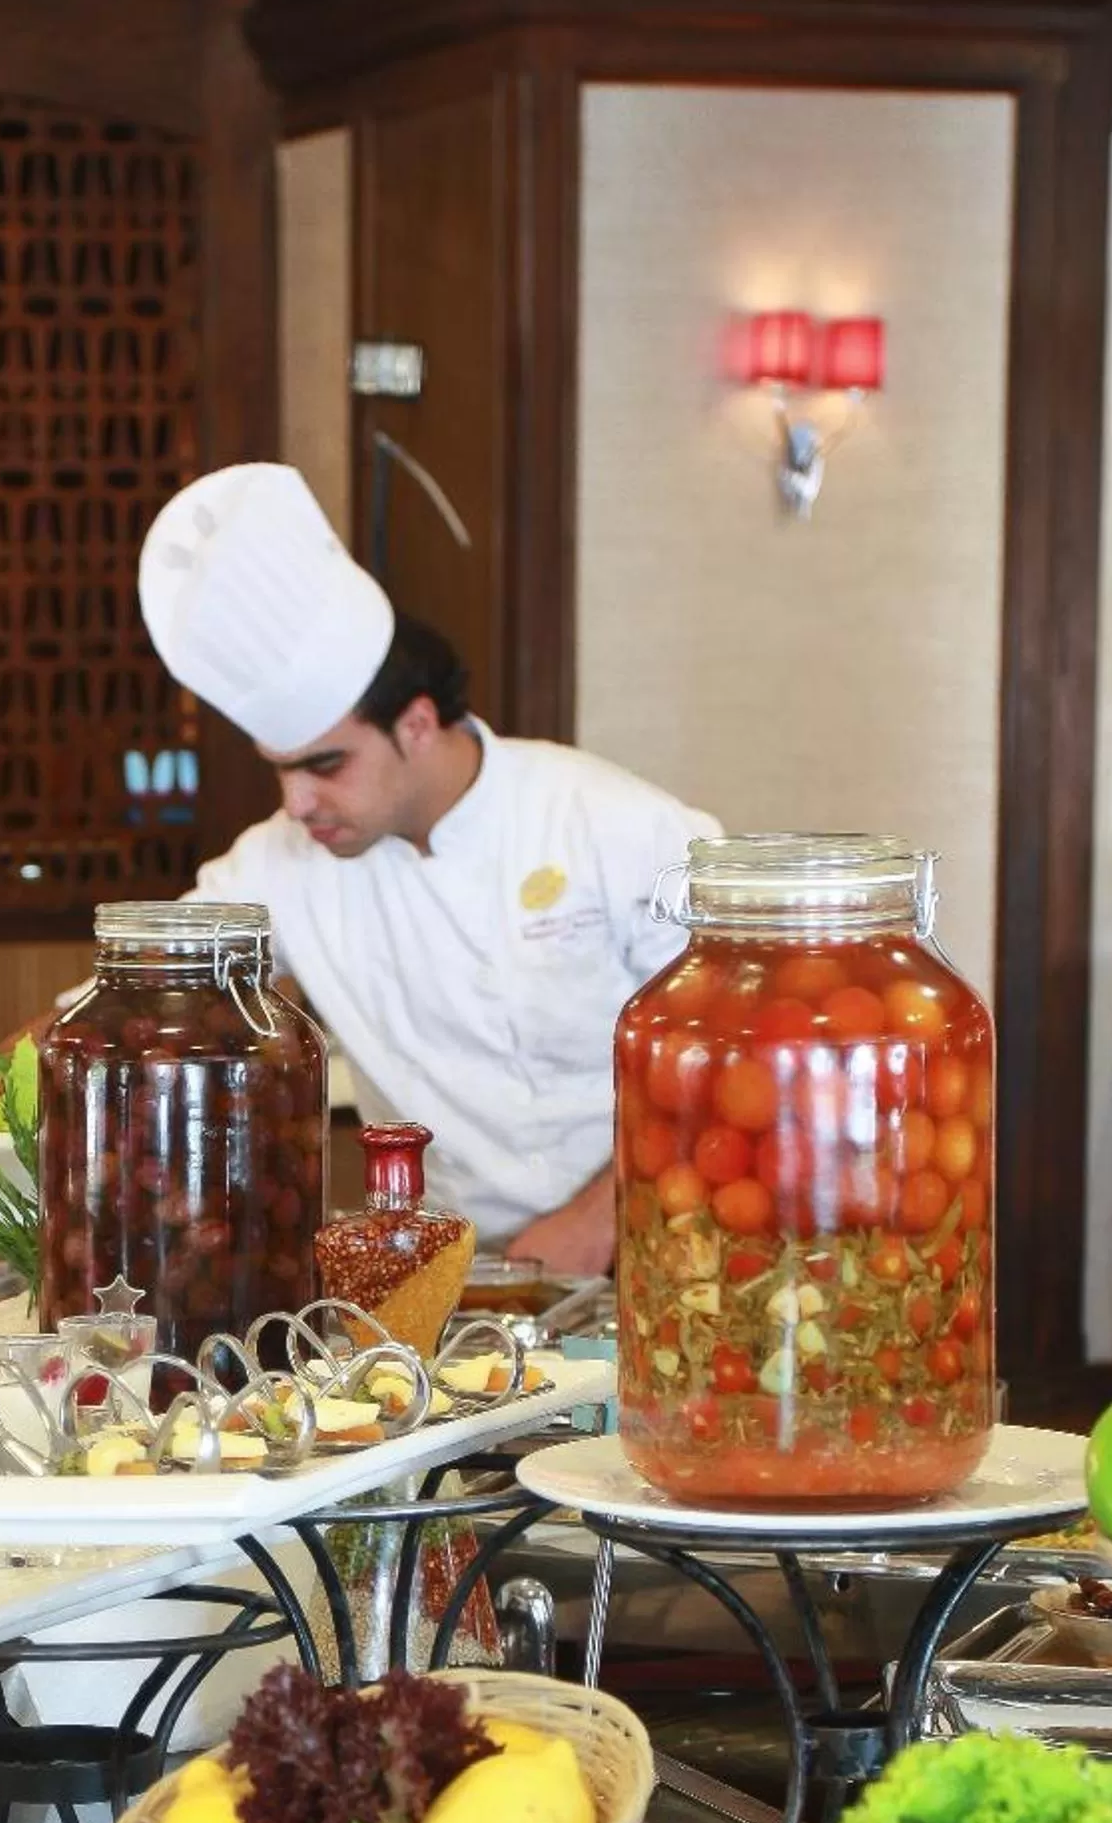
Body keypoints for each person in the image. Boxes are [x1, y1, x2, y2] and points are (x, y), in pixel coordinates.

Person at [139, 463, 720, 1275]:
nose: (298, 802)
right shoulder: (279, 862)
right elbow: (145, 992)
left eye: (326, 765)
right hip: (465, 1278)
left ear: (415, 725)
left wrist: (604, 1216)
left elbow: (730, 1041)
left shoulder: (605, 821)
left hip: (667, 1240)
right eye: (280, 769)